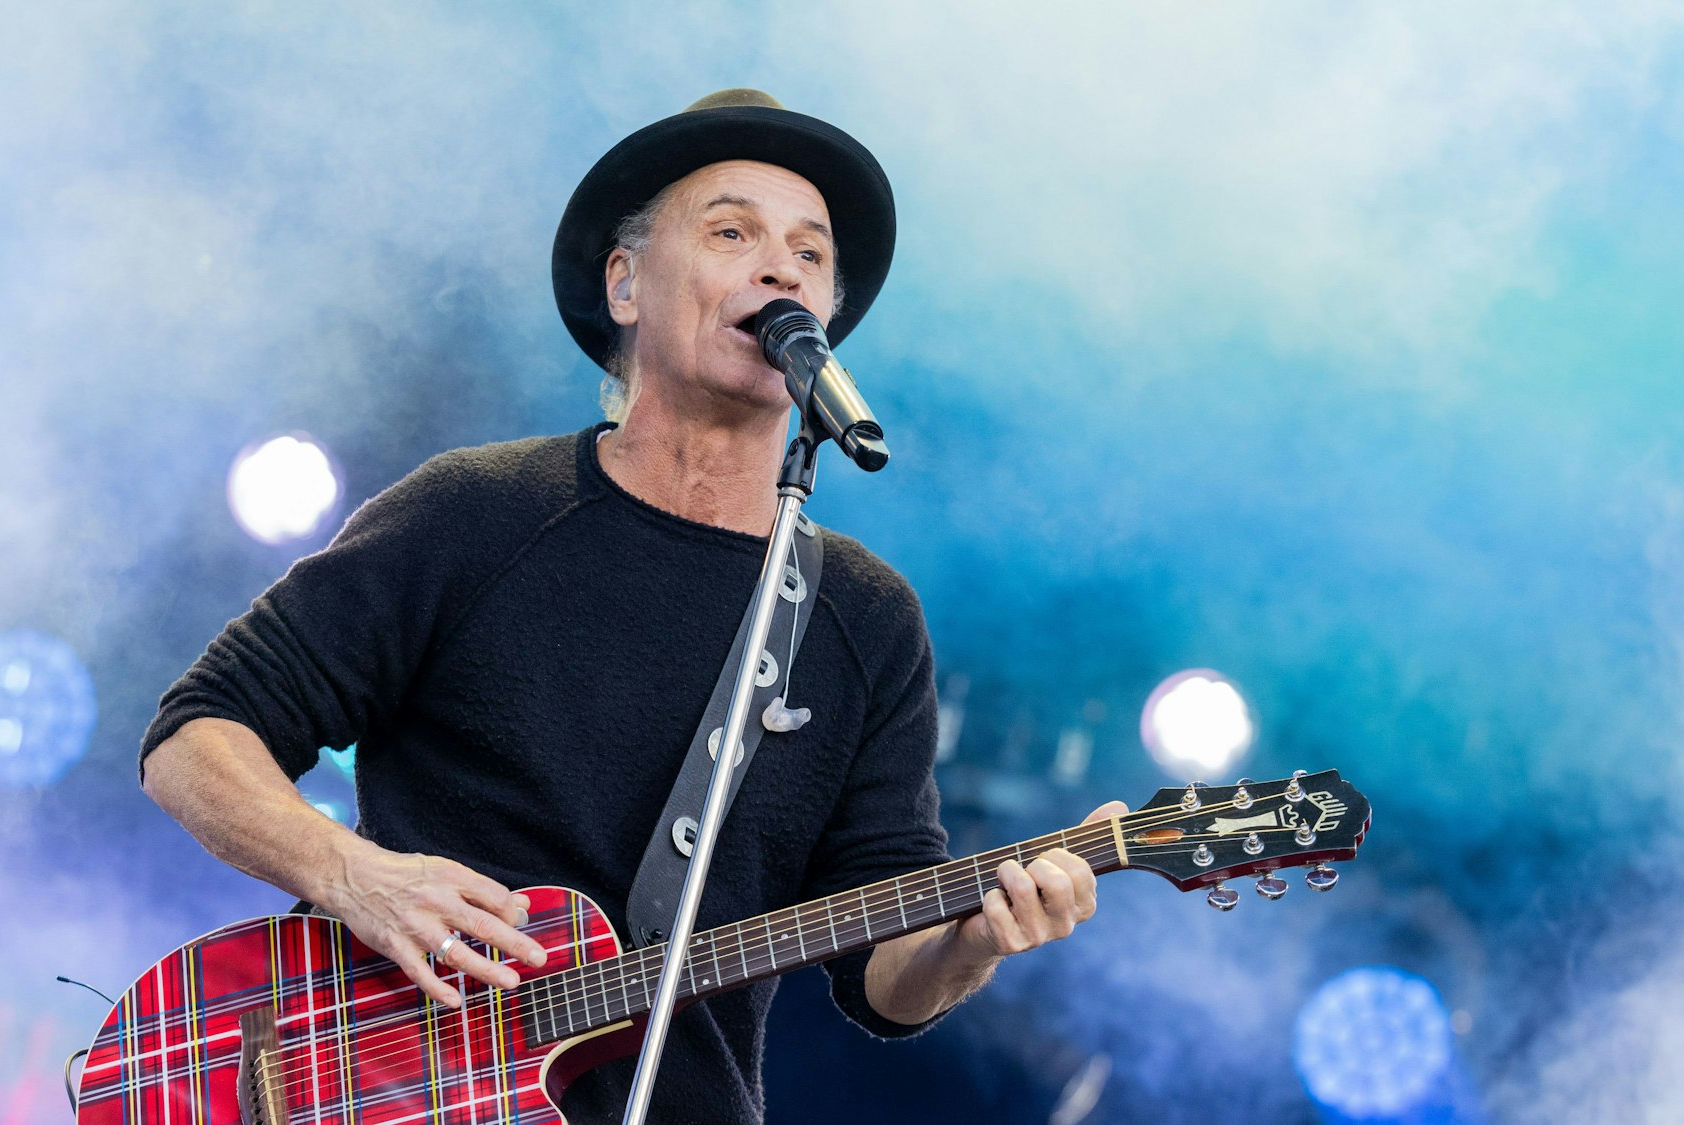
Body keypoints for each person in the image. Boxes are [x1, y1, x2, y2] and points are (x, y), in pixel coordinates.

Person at [139, 88, 1120, 1124]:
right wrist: (354, 875)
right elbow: (192, 738)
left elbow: (885, 976)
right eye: (731, 231)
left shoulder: (864, 618)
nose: (780, 268)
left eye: (810, 253)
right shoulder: (477, 512)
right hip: (379, 1097)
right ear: (624, 284)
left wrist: (971, 940)